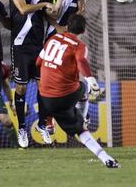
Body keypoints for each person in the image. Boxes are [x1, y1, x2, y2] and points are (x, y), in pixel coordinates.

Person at [36, 14, 120, 168]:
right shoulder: (79, 45)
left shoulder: (52, 39)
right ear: (83, 30)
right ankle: (103, 154)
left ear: (67, 26)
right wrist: (91, 78)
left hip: (46, 97)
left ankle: (56, 121)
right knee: (84, 87)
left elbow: (38, 62)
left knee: (78, 127)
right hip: (65, 94)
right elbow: (81, 61)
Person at [9, 0, 66, 148]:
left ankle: (42, 124)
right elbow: (23, 9)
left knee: (44, 86)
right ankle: (22, 129)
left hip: (38, 48)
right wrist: (43, 5)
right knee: (21, 88)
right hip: (20, 47)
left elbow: (53, 13)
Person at [42, 0, 89, 133]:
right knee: (50, 74)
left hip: (71, 34)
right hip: (53, 35)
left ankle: (81, 114)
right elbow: (47, 12)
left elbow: (82, 9)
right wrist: (57, 27)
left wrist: (69, 29)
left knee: (72, 72)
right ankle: (48, 119)